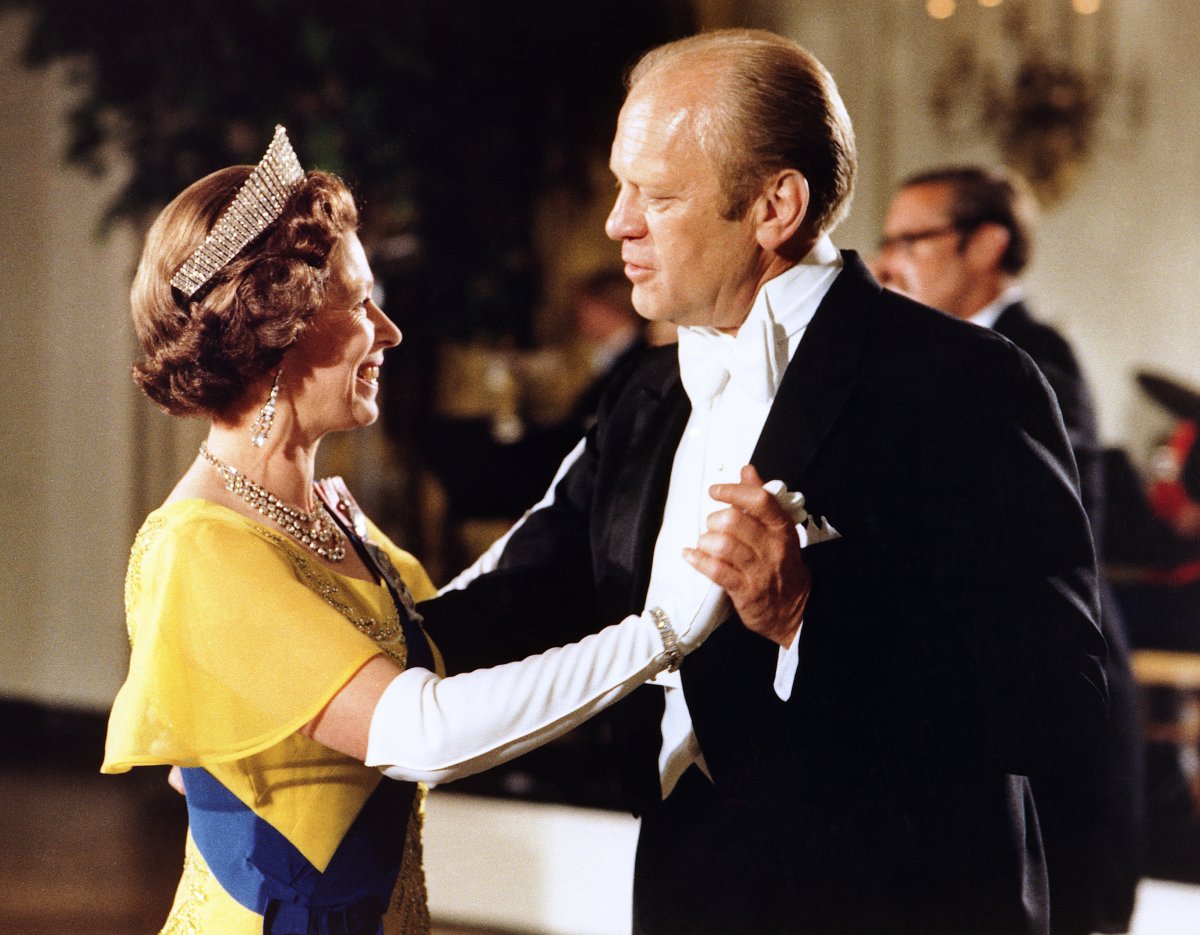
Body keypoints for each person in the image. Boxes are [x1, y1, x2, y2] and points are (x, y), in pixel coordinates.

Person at [422, 30, 1107, 935]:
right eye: (623, 186)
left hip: (903, 902)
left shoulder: (966, 380)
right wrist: (317, 647)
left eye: (656, 195)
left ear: (775, 205)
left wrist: (804, 615)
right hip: (688, 886)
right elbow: (524, 593)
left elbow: (1057, 702)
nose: (616, 223)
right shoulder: (647, 391)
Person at [100, 126, 733, 935]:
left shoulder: (329, 517)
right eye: (360, 303)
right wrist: (667, 630)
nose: (389, 331)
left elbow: (460, 642)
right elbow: (427, 730)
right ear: (277, 326)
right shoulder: (205, 545)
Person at [873, 164, 1143, 934]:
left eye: (912, 241)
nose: (889, 263)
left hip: (1047, 699)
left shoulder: (1031, 360)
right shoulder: (939, 358)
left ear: (987, 243)